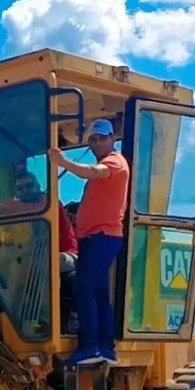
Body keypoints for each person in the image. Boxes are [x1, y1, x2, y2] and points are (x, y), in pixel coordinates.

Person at [48, 118, 130, 366]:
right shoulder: (107, 162)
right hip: (95, 237)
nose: (96, 143)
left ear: (112, 139)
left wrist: (62, 162)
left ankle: (90, 347)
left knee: (83, 288)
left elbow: (94, 172)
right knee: (98, 293)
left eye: (101, 138)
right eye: (93, 139)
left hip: (101, 237)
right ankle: (105, 348)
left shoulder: (114, 162)